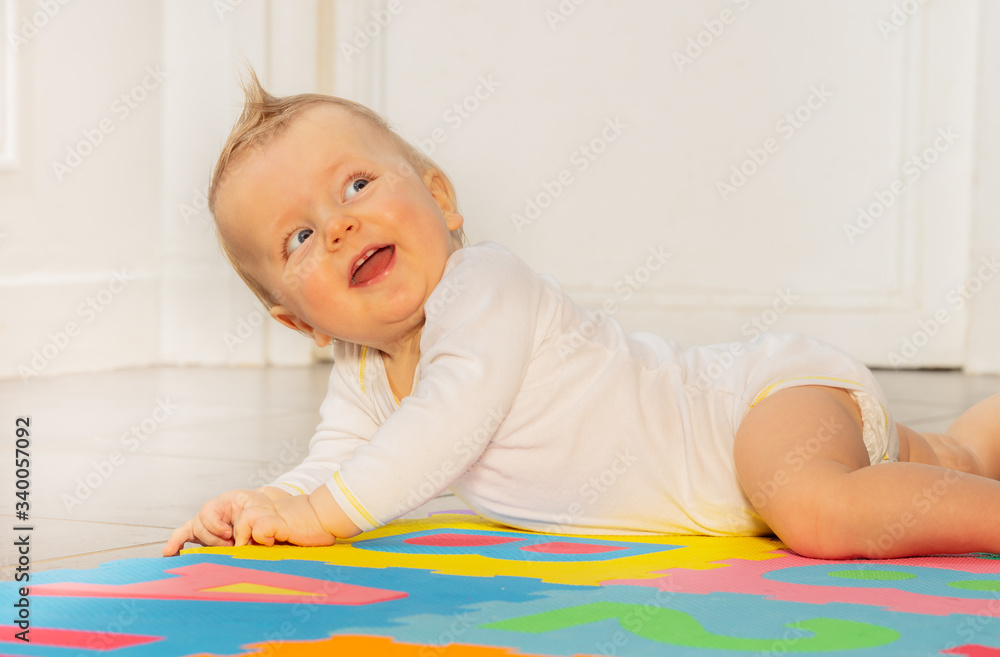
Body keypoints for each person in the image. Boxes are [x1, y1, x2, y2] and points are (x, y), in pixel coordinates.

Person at [164, 73, 1000, 560]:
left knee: (817, 509)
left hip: (751, 405)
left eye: (356, 185)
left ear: (441, 199)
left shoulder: (484, 288)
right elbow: (338, 460)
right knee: (939, 454)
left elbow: (442, 423)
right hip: (743, 470)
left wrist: (318, 515)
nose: (341, 224)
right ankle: (973, 441)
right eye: (302, 235)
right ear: (300, 322)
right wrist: (264, 506)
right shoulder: (361, 373)